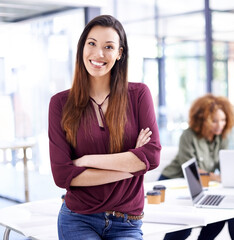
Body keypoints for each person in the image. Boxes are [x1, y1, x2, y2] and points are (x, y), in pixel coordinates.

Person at [48, 15, 161, 240]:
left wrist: (86, 161)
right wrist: (134, 164)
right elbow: (62, 175)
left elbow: (152, 157)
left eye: (108, 47)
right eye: (92, 43)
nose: (99, 54)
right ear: (82, 48)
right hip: (78, 218)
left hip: (127, 221)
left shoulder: (139, 95)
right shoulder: (60, 103)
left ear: (119, 53)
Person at [159, 94, 234, 240]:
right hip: (174, 182)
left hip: (199, 187)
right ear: (203, 120)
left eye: (223, 120)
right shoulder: (188, 135)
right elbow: (191, 171)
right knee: (183, 228)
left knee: (218, 217)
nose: (220, 125)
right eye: (214, 121)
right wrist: (217, 177)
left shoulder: (221, 137)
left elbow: (224, 164)